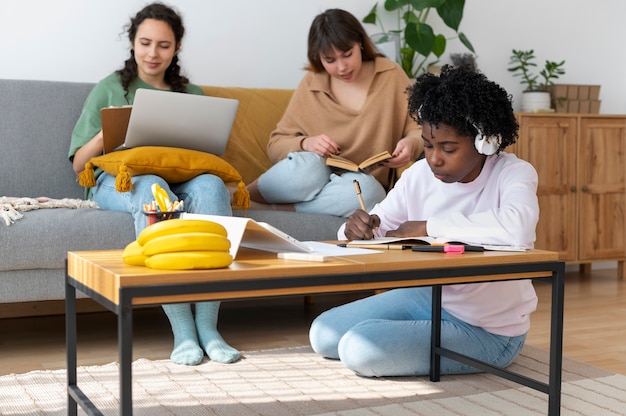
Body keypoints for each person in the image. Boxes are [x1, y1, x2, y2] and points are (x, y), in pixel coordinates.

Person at [309, 65, 540, 377]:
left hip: (489, 330)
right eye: (428, 146)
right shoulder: (419, 174)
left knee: (359, 348)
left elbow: (518, 228)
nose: (434, 158)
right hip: (429, 299)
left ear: (485, 142)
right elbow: (379, 228)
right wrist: (352, 230)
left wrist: (428, 228)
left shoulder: (513, 173)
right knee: (323, 333)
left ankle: (394, 337)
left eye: (448, 148)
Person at [69, 2, 239, 366]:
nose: (152, 53)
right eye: (145, 43)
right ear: (132, 42)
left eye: (163, 45)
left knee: (210, 186)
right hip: (119, 184)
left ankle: (209, 327)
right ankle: (183, 332)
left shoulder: (192, 95)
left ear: (176, 47)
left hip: (184, 181)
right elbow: (79, 165)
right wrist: (109, 132)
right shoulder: (110, 88)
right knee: (151, 186)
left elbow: (205, 156)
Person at [246, 8, 422, 217]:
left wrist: (411, 144)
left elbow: (418, 129)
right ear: (318, 57)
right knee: (308, 169)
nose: (341, 67)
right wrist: (306, 143)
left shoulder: (390, 75)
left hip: (354, 185)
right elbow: (275, 145)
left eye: (347, 55)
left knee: (368, 193)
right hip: (315, 174)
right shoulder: (312, 83)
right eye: (330, 60)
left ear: (360, 44)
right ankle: (242, 196)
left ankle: (278, 210)